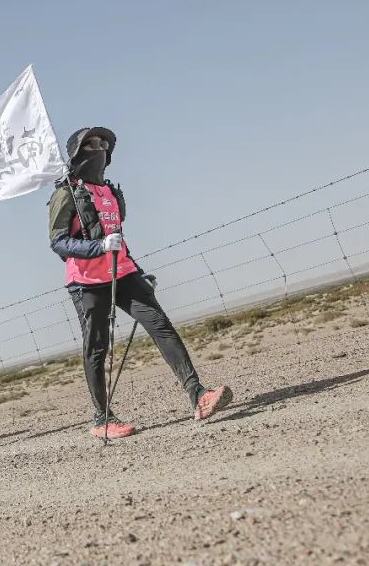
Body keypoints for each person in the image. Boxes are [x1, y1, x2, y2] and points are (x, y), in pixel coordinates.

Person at [47, 127, 234, 439]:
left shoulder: (110, 192)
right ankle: (102, 419)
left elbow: (117, 236)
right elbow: (58, 242)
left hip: (123, 273)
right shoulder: (66, 194)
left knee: (160, 325)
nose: (100, 147)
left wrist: (137, 269)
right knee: (97, 348)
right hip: (87, 282)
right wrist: (97, 247)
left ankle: (198, 395)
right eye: (92, 144)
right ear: (77, 154)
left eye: (103, 143)